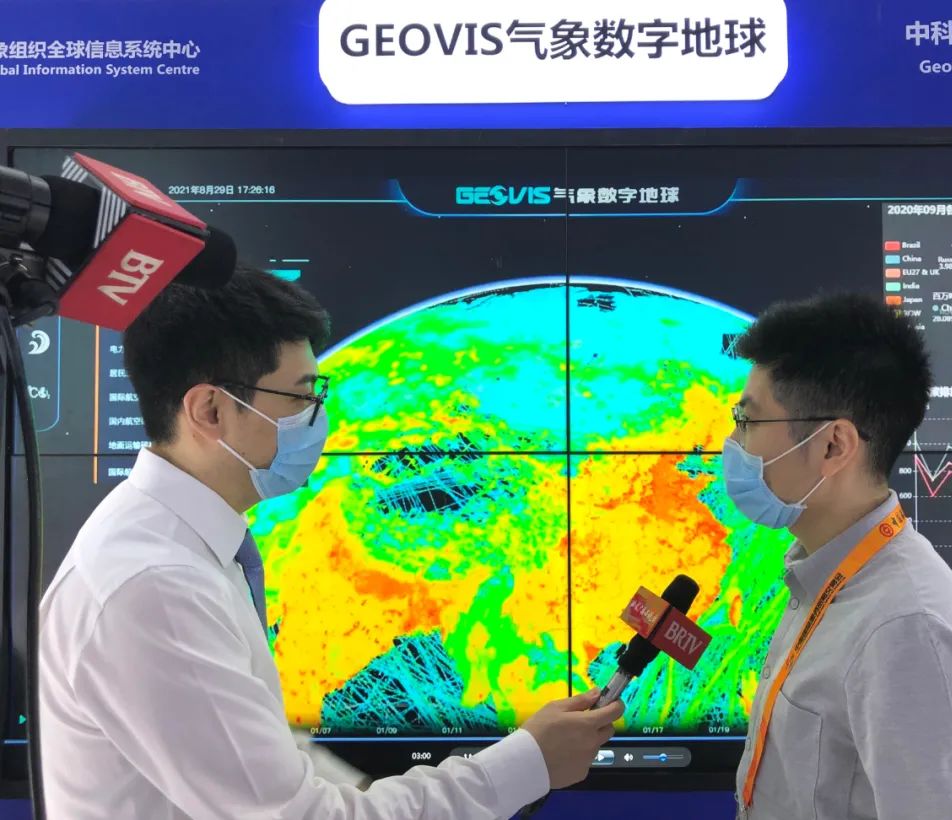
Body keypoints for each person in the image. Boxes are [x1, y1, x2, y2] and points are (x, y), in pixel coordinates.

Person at [38, 265, 623, 819]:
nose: (318, 418)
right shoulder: (156, 589)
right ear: (211, 409)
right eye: (301, 397)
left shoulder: (185, 547)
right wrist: (527, 765)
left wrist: (371, 793)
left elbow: (264, 765)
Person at [725, 292, 952, 820]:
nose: (732, 442)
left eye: (747, 421)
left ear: (834, 446)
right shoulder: (823, 571)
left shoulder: (908, 630)